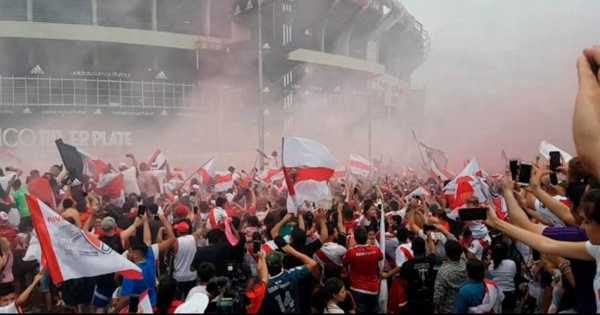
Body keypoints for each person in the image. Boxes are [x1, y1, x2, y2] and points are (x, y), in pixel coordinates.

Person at [262, 240, 318, 314]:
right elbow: (313, 263)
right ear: (281, 264)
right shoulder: (290, 275)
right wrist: (291, 251)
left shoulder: (264, 285)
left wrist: (261, 260)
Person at [343, 227, 383, 313]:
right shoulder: (376, 249)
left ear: (356, 239)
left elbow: (345, 263)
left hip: (357, 288)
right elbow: (381, 257)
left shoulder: (351, 252)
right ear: (366, 237)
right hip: (373, 287)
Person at [399, 237, 438, 314]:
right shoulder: (432, 261)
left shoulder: (406, 265)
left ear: (412, 249)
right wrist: (429, 237)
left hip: (413, 302)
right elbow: (433, 251)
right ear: (424, 248)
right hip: (429, 301)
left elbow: (403, 284)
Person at [433, 240, 467, 314]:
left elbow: (438, 297)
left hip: (448, 309)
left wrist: (436, 309)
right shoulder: (465, 263)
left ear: (446, 254)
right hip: (463, 306)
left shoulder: (443, 272)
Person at [488, 242, 517, 313]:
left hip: (496, 294)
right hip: (510, 294)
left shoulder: (491, 266)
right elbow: (513, 276)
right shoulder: (512, 263)